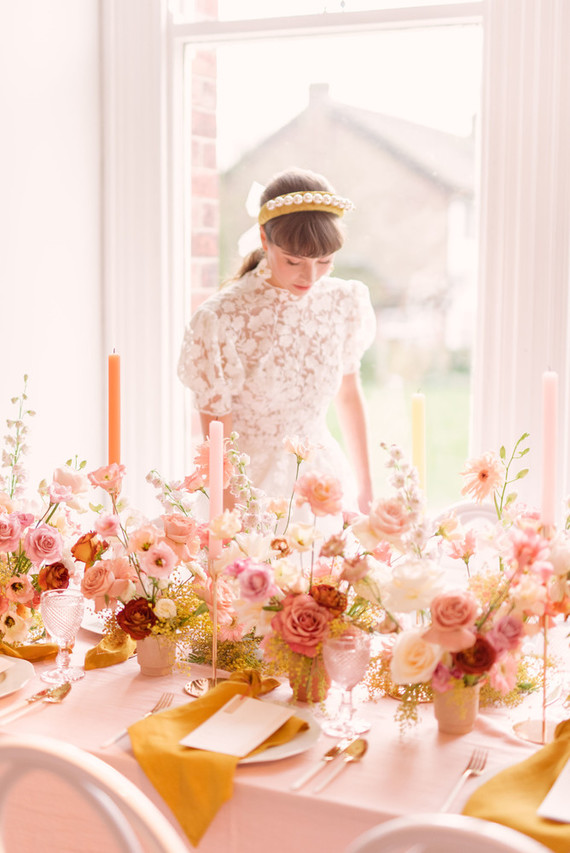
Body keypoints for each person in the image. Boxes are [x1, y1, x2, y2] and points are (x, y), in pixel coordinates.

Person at [177, 167, 376, 514]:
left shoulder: (343, 302)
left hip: (324, 483)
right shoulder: (221, 319)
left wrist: (366, 488)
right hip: (249, 492)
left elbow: (348, 394)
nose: (310, 275)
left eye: (325, 261)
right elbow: (218, 441)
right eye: (294, 261)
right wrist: (233, 522)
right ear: (265, 239)